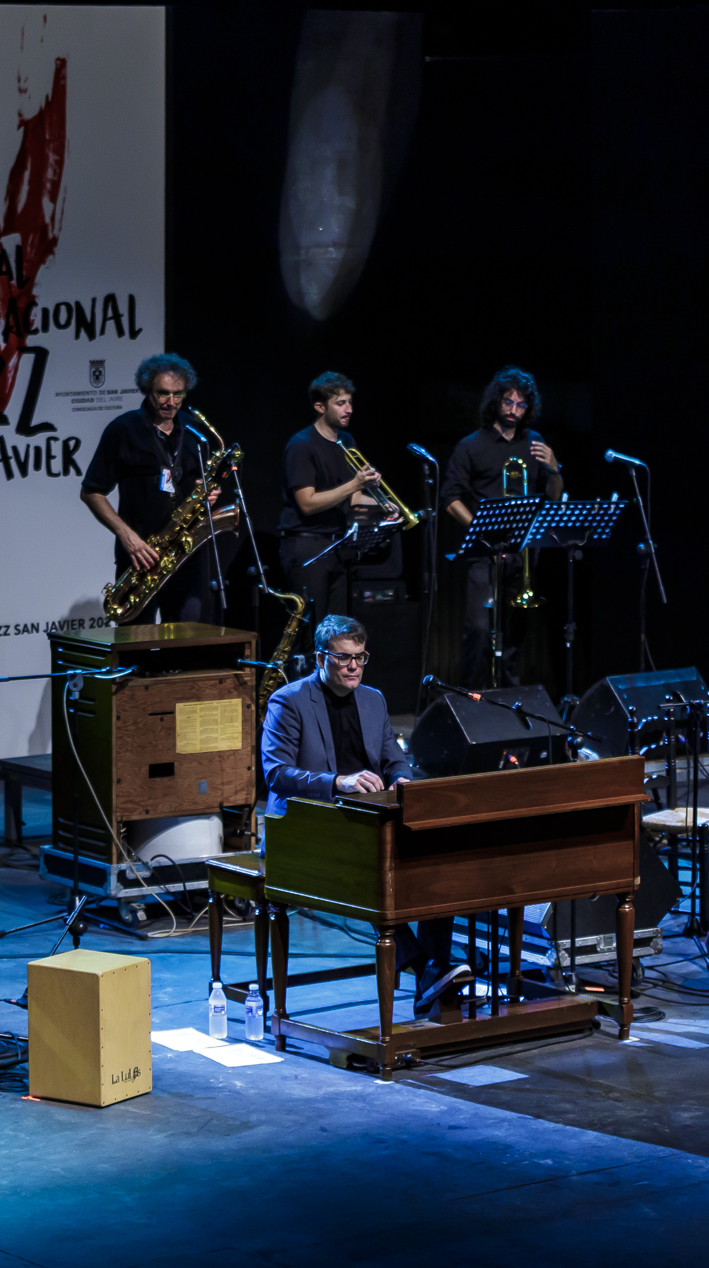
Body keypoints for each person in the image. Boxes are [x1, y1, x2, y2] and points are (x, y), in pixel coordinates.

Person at [260, 616, 467, 1010]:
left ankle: (433, 972)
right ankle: (425, 968)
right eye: (343, 658)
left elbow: (395, 759)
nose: (353, 666)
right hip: (307, 826)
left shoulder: (373, 700)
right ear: (320, 658)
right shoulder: (289, 701)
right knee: (370, 863)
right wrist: (339, 782)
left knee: (436, 857)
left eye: (360, 657)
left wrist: (401, 779)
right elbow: (276, 774)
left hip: (366, 819)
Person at [439, 368, 562, 687]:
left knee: (513, 636)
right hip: (484, 553)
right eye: (508, 402)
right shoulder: (471, 445)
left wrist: (553, 469)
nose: (514, 410)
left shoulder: (535, 442)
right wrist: (479, 527)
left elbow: (554, 497)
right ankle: (469, 699)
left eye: (521, 405)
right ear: (495, 401)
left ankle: (507, 703)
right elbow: (450, 497)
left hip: (523, 553)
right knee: (480, 630)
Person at [80, 353, 219, 622]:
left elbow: (198, 485)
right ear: (147, 390)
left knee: (186, 642)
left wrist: (208, 496)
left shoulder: (194, 430)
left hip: (185, 556)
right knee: (137, 642)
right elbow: (91, 492)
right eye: (163, 393)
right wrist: (127, 537)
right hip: (140, 557)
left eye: (178, 394)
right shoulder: (123, 429)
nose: (171, 402)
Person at [277, 371, 382, 626]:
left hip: (337, 545)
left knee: (336, 630)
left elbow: (353, 499)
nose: (349, 409)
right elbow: (307, 503)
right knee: (309, 630)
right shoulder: (302, 445)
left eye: (350, 402)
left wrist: (384, 506)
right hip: (306, 546)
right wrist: (355, 483)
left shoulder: (346, 441)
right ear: (320, 406)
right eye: (340, 403)